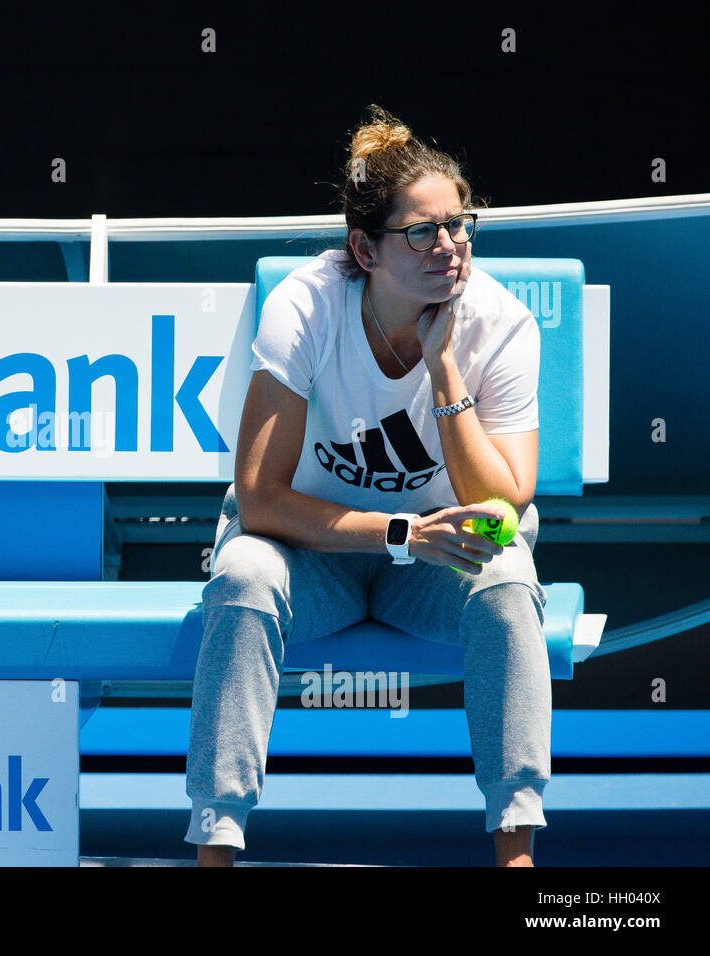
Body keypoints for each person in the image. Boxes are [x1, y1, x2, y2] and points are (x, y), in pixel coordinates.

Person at [185, 105, 549, 867]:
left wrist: (444, 369)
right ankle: (216, 845)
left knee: (509, 575)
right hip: (310, 556)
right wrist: (399, 534)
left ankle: (515, 851)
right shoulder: (305, 305)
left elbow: (505, 503)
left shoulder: (501, 324)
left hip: (437, 564)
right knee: (244, 572)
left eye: (459, 224)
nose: (449, 247)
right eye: (422, 231)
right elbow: (259, 500)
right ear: (365, 248)